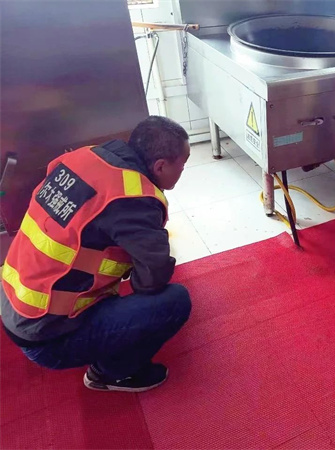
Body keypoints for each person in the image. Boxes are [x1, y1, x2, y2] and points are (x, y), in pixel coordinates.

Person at [1, 116, 192, 392]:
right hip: (47, 338)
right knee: (174, 302)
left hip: (14, 303)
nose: (183, 171)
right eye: (182, 165)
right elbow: (153, 278)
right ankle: (112, 373)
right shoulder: (134, 199)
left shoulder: (84, 157)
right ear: (160, 166)